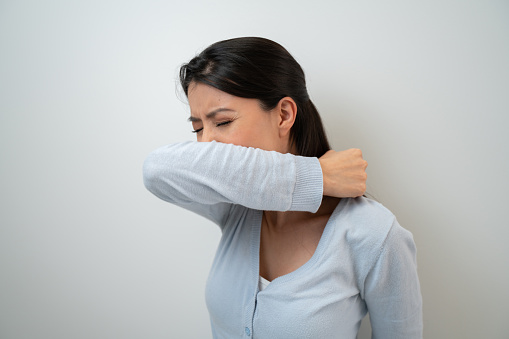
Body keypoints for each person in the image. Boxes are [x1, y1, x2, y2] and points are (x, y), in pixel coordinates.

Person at [143, 37, 422, 338]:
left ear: (284, 115)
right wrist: (316, 177)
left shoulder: (373, 234)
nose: (206, 144)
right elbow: (156, 170)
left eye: (222, 122)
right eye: (198, 128)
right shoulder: (234, 204)